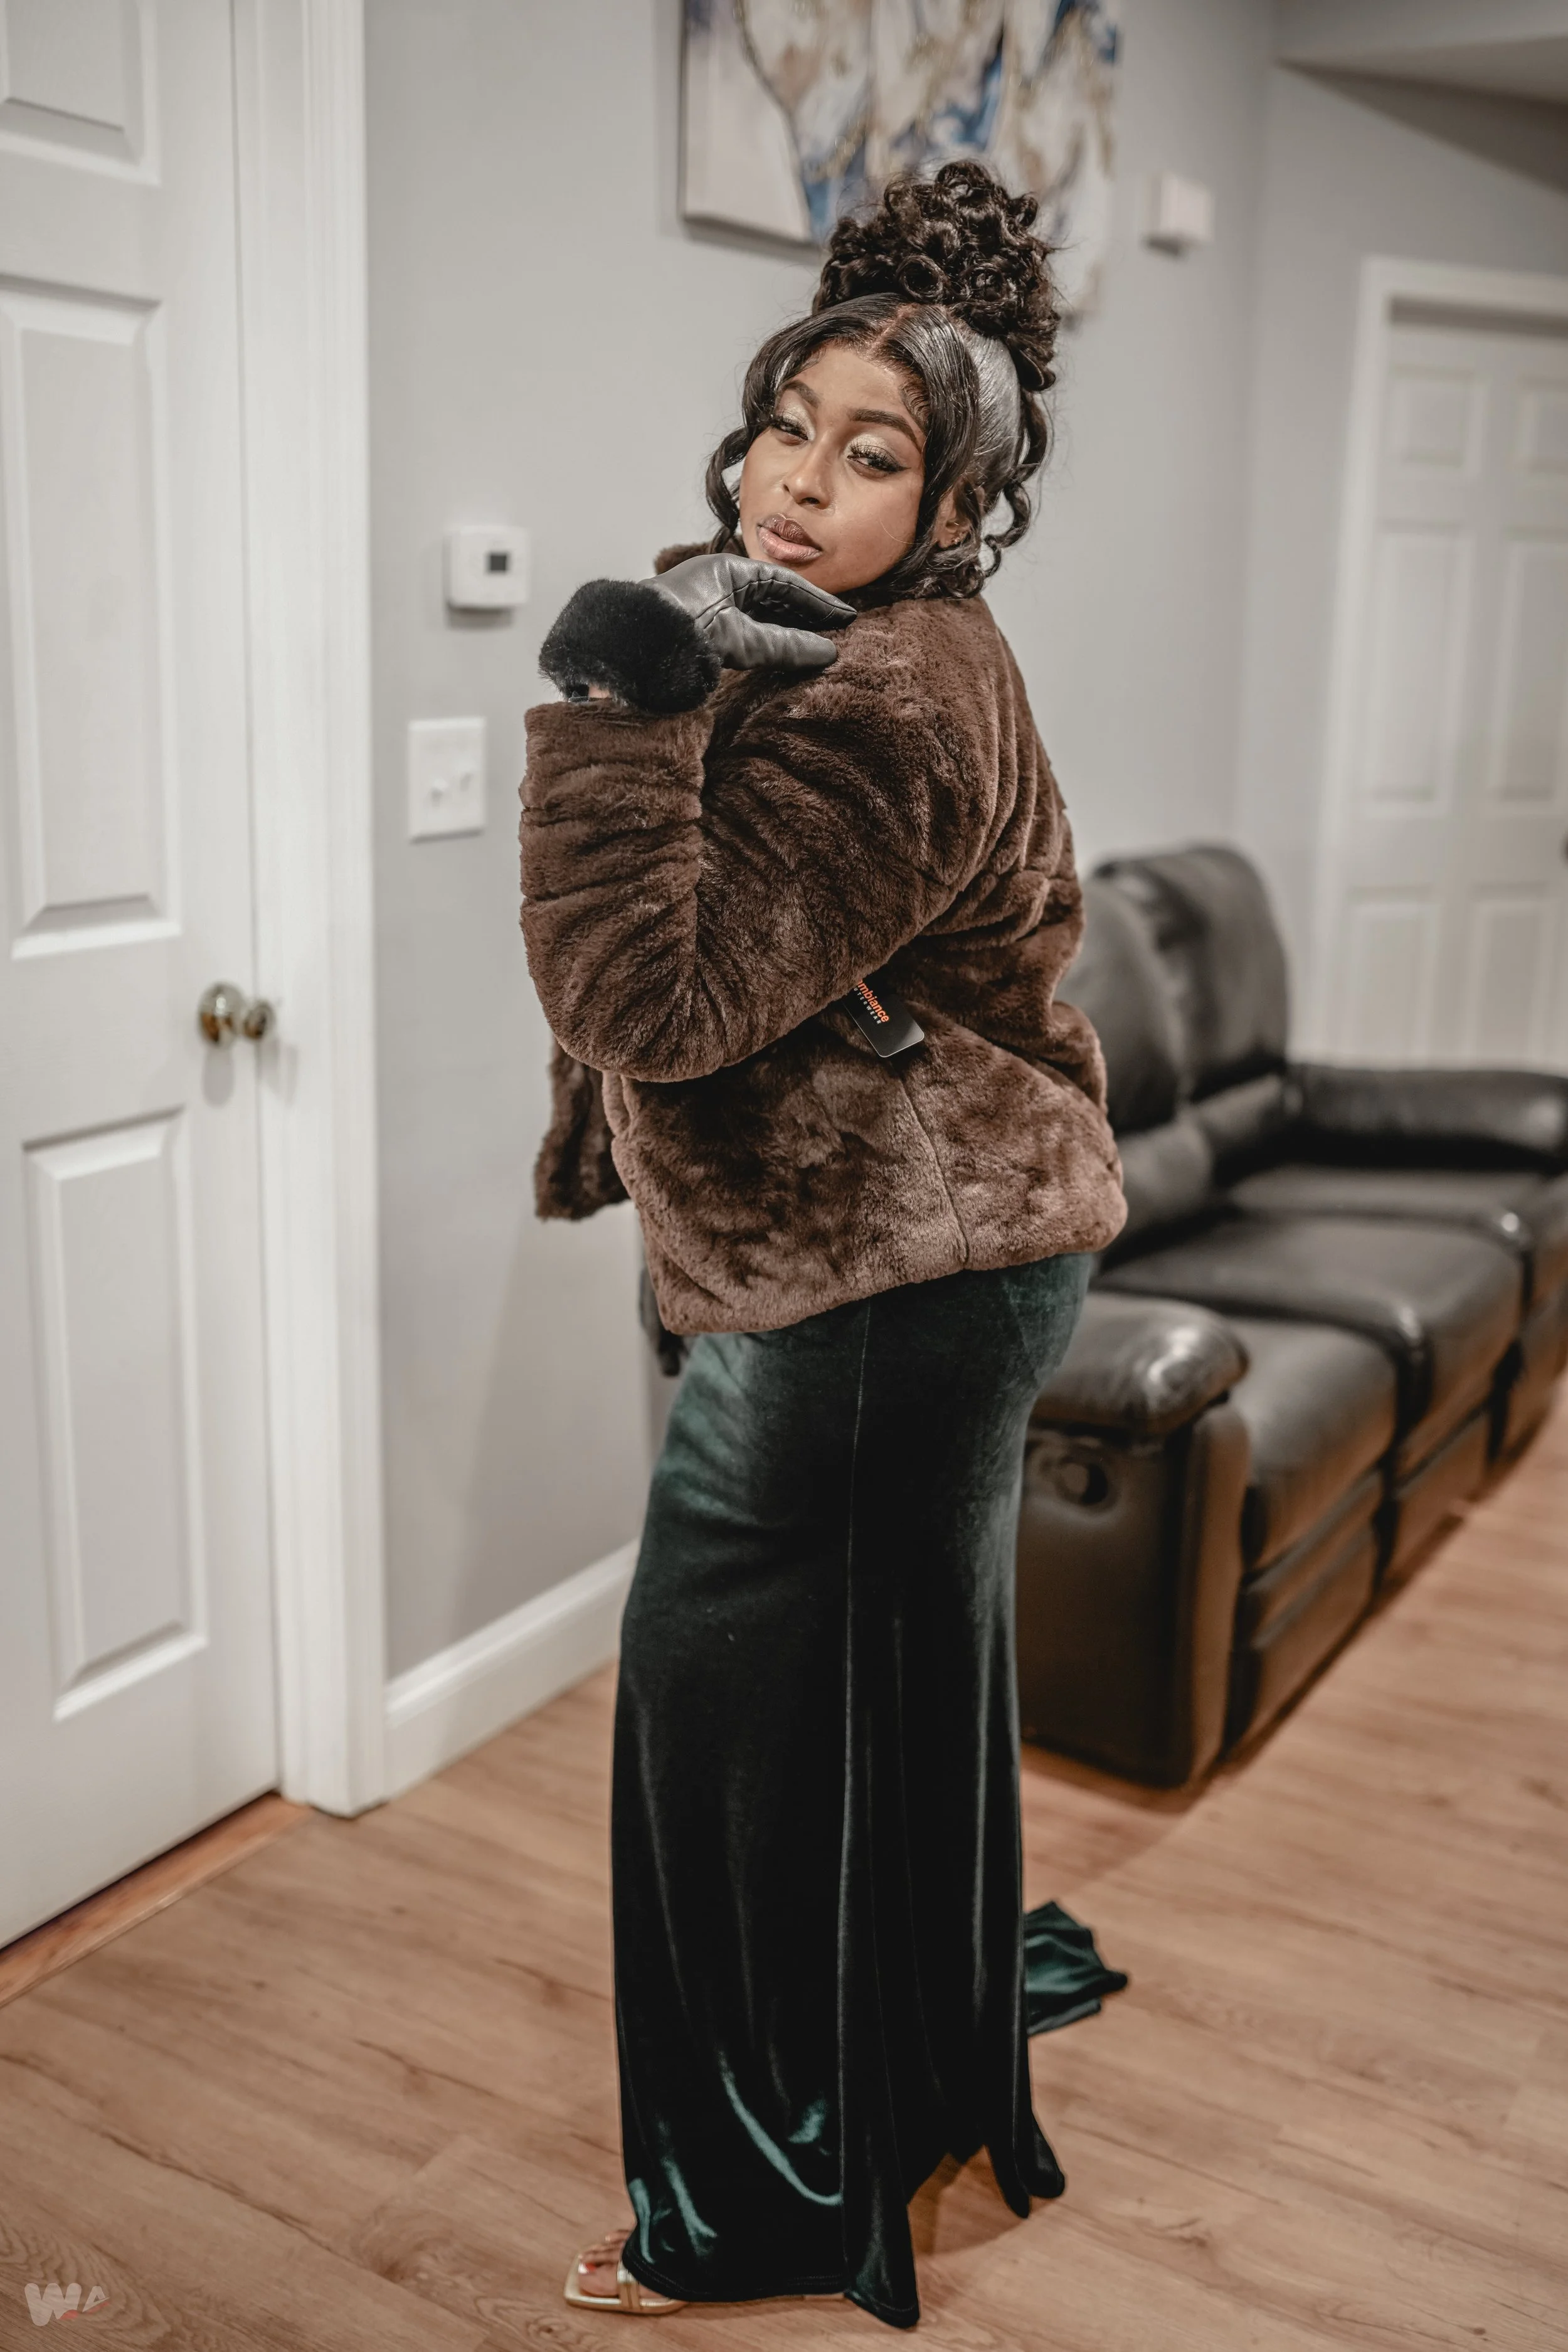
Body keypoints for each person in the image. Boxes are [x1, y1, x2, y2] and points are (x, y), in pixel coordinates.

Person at [519, 159, 1126, 2331]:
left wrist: (609, 711)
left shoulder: (892, 688)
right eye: (789, 425)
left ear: (951, 495)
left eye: (871, 456)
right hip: (912, 1258)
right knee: (874, 1704)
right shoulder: (831, 633)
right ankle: (914, 2057)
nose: (801, 482)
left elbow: (653, 999)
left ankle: (760, 2199)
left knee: (725, 1750)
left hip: (880, 1284)